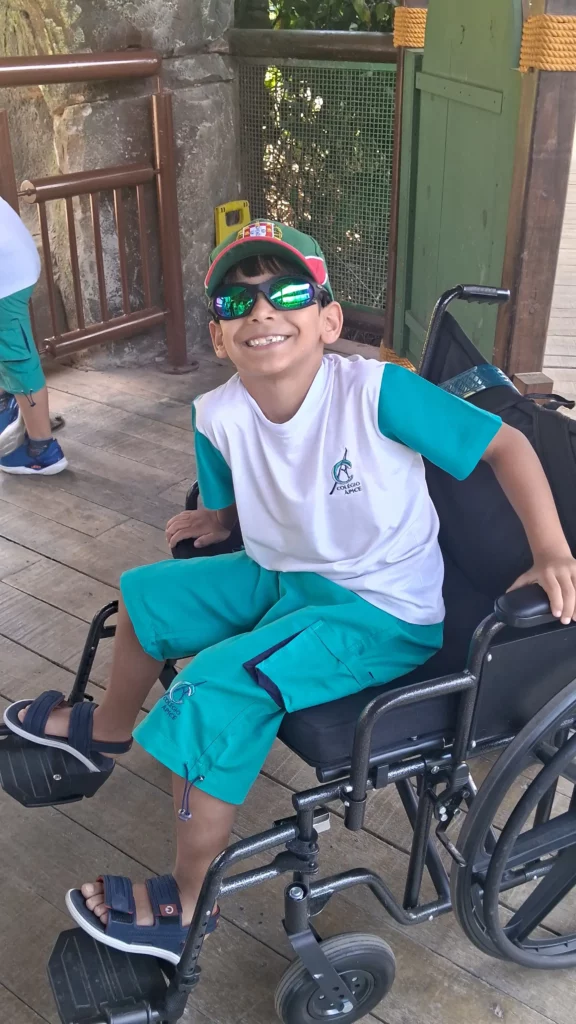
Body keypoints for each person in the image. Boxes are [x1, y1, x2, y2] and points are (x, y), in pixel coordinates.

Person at [5, 220, 576, 964]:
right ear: (219, 337)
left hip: (381, 609)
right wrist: (219, 520)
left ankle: (187, 903)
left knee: (214, 690)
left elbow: (507, 444)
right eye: (236, 302)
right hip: (287, 573)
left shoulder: (375, 393)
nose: (263, 311)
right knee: (147, 595)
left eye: (288, 293)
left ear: (329, 321)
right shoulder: (217, 416)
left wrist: (551, 550)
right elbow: (235, 500)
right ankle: (107, 735)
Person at [0, 196, 67, 474]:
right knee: (9, 349)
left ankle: (42, 450)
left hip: (6, 278)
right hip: (13, 261)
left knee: (17, 358)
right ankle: (9, 406)